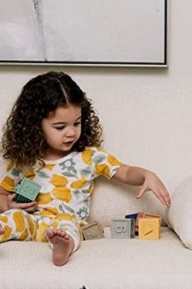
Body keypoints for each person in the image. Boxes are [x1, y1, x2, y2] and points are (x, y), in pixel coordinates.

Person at [0, 72, 171, 266]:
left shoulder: (89, 157)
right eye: (60, 127)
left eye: (77, 123)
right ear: (35, 126)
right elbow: (2, 194)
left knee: (67, 223)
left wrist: (146, 175)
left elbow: (124, 171)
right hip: (32, 222)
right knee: (13, 217)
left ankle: (63, 245)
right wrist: (7, 204)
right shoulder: (25, 161)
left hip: (66, 222)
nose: (71, 132)